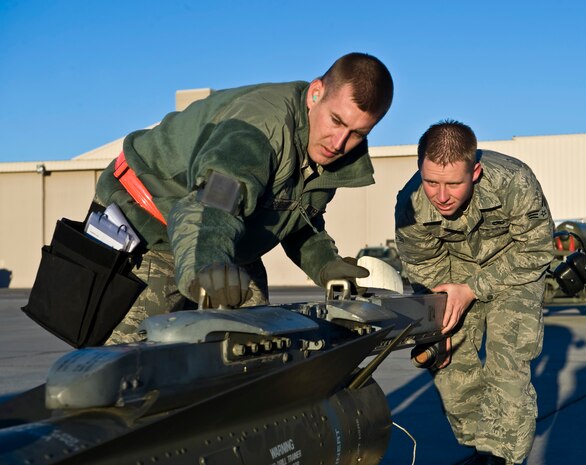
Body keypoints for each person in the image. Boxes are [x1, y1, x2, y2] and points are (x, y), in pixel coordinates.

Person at [95, 52, 393, 344]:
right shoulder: (259, 130)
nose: (340, 143)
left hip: (228, 236)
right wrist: (208, 265)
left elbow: (296, 219)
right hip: (150, 223)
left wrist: (327, 265)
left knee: (259, 346)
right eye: (336, 121)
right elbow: (214, 202)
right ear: (316, 93)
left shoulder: (325, 154)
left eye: (357, 133)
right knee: (133, 364)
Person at [394, 121, 553, 465]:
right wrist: (436, 323)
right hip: (453, 273)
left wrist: (473, 288)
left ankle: (502, 455)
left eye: (453, 184)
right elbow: (423, 268)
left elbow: (538, 251)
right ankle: (479, 445)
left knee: (507, 359)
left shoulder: (515, 181)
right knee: (450, 362)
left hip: (514, 270)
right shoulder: (410, 204)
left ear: (475, 172)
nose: (441, 195)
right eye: (431, 181)